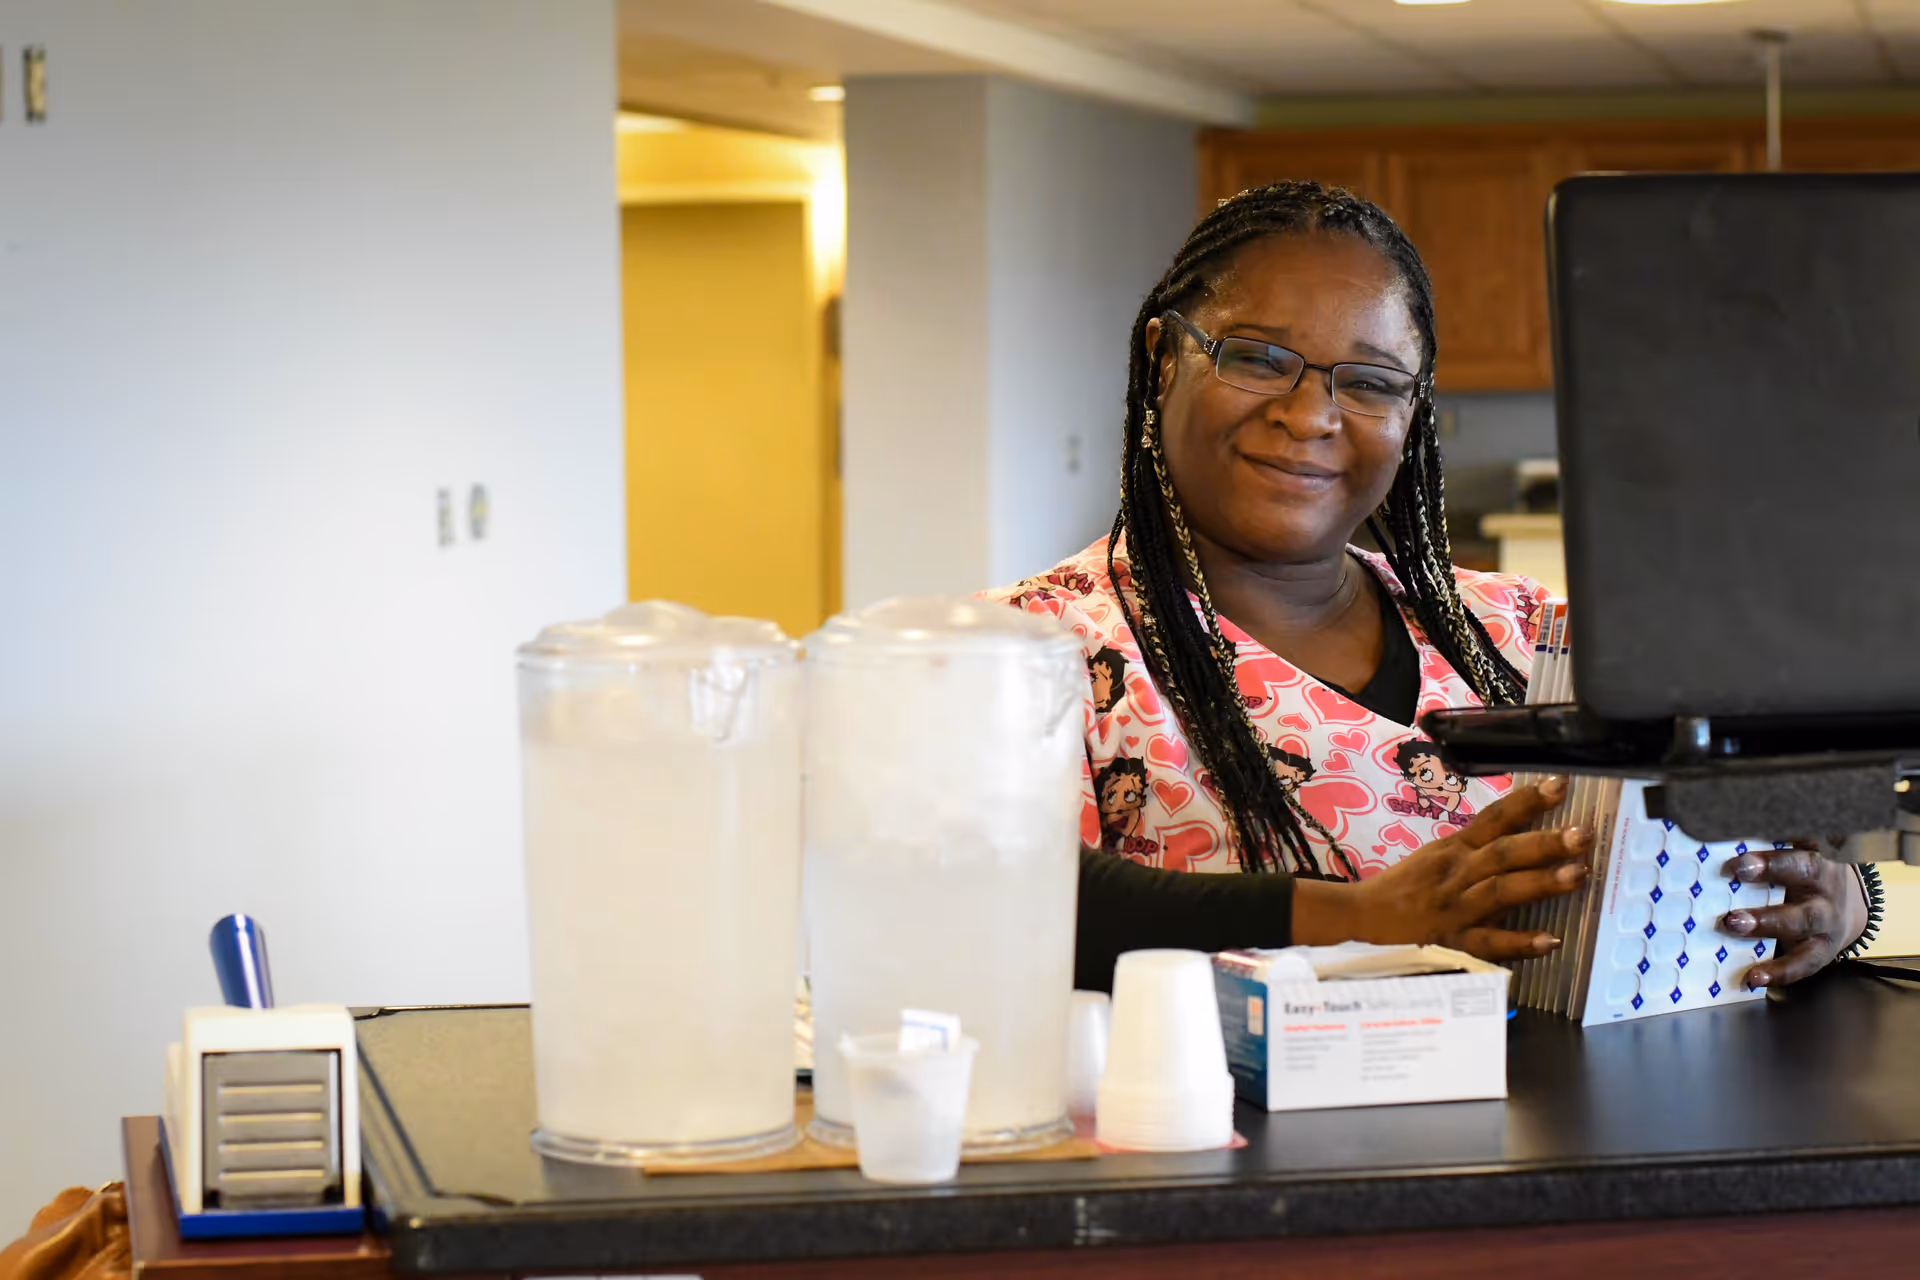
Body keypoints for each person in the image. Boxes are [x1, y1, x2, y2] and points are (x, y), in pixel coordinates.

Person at [985, 181, 1873, 992]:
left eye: (1371, 382)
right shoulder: (1030, 651)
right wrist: (1359, 919)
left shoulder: (1526, 632)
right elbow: (993, 896)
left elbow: (1748, 818)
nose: (1310, 415)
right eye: (1257, 358)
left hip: (1582, 1145)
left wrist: (1839, 902)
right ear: (1163, 357)